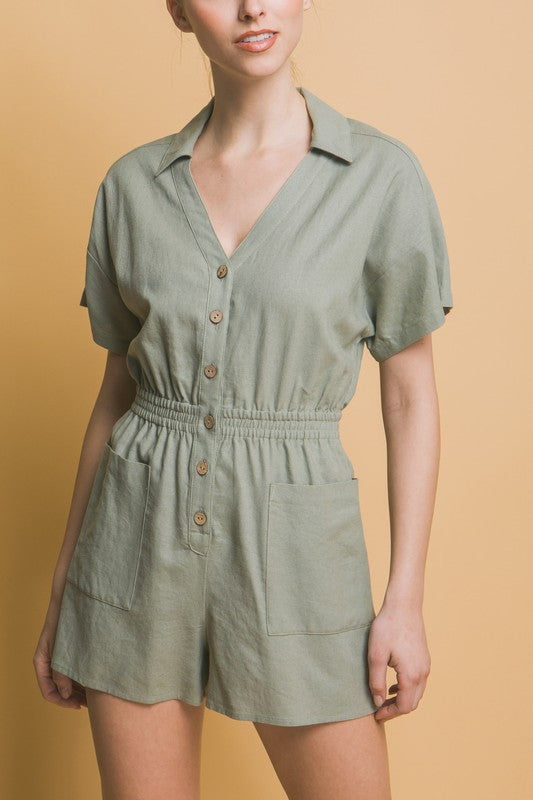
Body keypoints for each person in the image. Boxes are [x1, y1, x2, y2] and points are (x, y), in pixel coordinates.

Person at [33, 1, 453, 797]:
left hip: (298, 553)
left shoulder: (378, 178)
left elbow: (410, 398)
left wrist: (404, 599)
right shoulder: (132, 186)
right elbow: (116, 392)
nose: (252, 6)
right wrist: (64, 592)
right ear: (179, 10)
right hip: (130, 548)